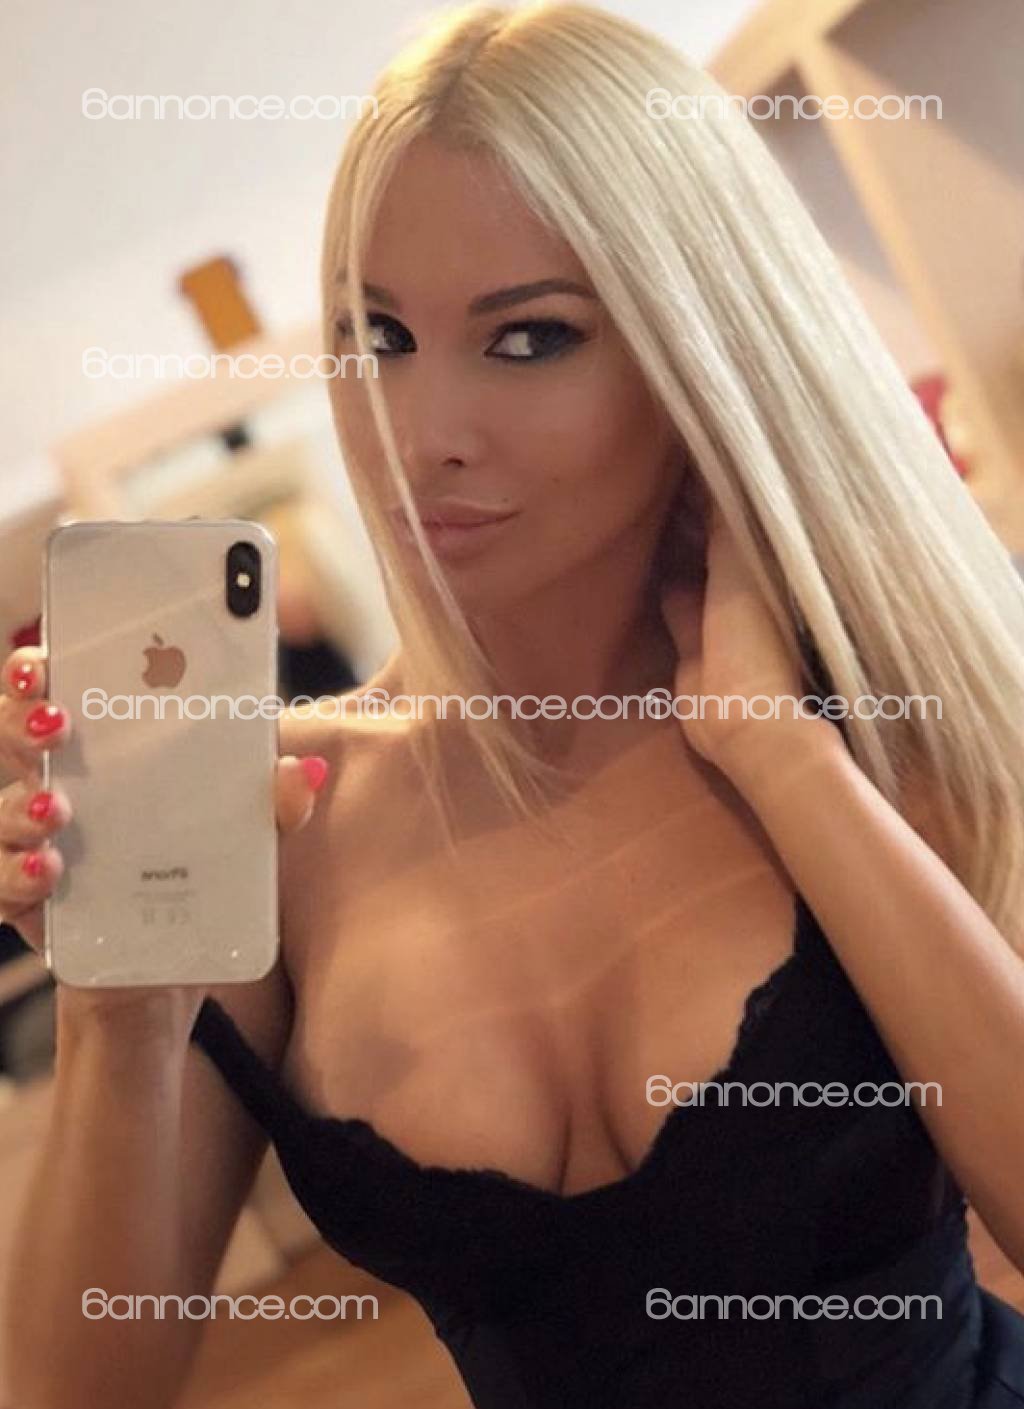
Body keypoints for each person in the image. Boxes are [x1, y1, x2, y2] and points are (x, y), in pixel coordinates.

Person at [4, 3, 1024, 1406]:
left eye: (530, 337)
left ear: (696, 345)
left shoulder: (874, 705)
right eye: (377, 335)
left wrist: (786, 765)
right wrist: (117, 1022)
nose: (421, 434)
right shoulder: (282, 815)